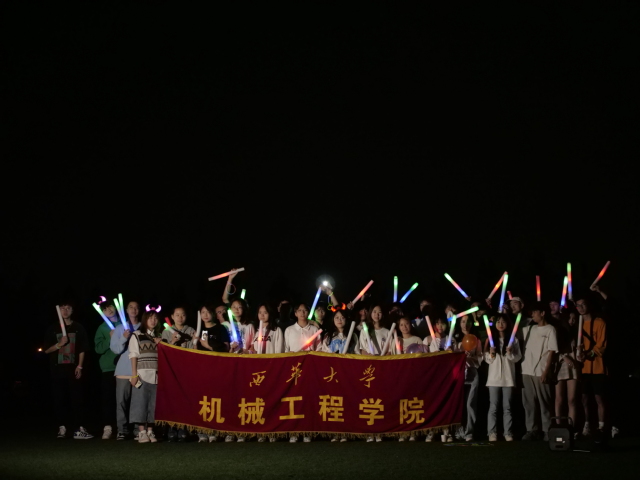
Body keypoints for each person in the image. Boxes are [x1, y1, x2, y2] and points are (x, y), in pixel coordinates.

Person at [44, 301, 92, 439]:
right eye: (62, 308)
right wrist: (59, 344)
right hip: (57, 369)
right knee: (59, 399)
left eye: (68, 308)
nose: (65, 311)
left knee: (77, 399)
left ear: (72, 310)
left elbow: (83, 348)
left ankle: (79, 428)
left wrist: (80, 366)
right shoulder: (53, 328)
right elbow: (46, 350)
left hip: (74, 368)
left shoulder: (78, 327)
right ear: (58, 311)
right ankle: (62, 427)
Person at [521, 302, 558, 441]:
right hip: (526, 369)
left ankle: (547, 430)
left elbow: (552, 351)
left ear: (542, 313)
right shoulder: (529, 328)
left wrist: (546, 371)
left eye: (535, 312)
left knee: (544, 402)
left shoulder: (550, 329)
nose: (533, 315)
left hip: (541, 370)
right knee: (529, 403)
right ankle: (532, 429)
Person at [284, 303, 319, 443]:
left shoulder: (315, 330)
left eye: (305, 310)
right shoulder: (289, 330)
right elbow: (286, 350)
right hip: (294, 370)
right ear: (295, 313)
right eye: (300, 310)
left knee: (308, 399)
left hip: (310, 369)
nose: (302, 312)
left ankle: (307, 430)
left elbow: (319, 349)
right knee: (294, 398)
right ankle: (294, 431)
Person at [195, 304, 231, 443]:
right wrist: (195, 343)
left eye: (208, 312)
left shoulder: (220, 328)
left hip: (218, 367)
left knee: (217, 398)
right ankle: (203, 430)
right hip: (202, 368)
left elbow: (225, 348)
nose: (205, 315)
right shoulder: (199, 329)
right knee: (203, 399)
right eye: (203, 312)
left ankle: (217, 430)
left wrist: (208, 346)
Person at [484, 314, 522, 442]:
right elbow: (487, 360)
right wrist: (491, 354)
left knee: (507, 408)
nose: (500, 324)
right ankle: (492, 433)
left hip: (508, 378)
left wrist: (510, 353)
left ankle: (508, 433)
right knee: (493, 407)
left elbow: (518, 358)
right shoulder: (490, 340)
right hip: (493, 379)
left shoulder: (513, 340)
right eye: (498, 321)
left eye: (503, 322)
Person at [575, 294, 608, 437]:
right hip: (583, 368)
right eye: (578, 305)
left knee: (599, 398)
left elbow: (602, 345)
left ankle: (602, 426)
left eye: (583, 304)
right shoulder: (577, 324)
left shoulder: (600, 322)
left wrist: (589, 354)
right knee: (584, 397)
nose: (581, 307)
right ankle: (587, 424)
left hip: (598, 366)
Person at [163, 306, 196, 443]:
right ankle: (172, 428)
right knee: (172, 399)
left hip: (186, 369)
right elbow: (164, 350)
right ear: (172, 316)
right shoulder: (166, 331)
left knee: (184, 399)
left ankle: (183, 428)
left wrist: (194, 340)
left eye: (183, 315)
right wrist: (173, 342)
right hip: (171, 369)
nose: (180, 317)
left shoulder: (191, 330)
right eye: (177, 315)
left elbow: (194, 350)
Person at [129, 309, 162, 443]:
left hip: (156, 375)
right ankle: (141, 431)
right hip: (142, 373)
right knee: (140, 403)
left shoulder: (159, 337)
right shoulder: (137, 335)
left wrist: (162, 343)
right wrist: (134, 375)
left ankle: (150, 431)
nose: (153, 321)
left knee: (154, 404)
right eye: (150, 318)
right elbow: (133, 355)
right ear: (145, 320)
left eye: (155, 318)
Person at [110, 300, 141, 440]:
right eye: (131, 307)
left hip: (140, 370)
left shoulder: (143, 326)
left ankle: (138, 429)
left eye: (136, 307)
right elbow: (115, 349)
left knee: (138, 402)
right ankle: (122, 430)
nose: (134, 309)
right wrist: (123, 338)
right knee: (121, 402)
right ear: (126, 310)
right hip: (123, 370)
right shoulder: (119, 328)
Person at [453, 314, 483, 441]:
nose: (465, 324)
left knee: (470, 403)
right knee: (458, 403)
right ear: (459, 324)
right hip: (458, 374)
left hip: (472, 373)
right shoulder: (455, 341)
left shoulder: (476, 340)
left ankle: (469, 431)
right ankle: (458, 430)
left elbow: (480, 359)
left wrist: (472, 357)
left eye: (468, 321)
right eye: (463, 321)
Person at [95, 301, 119, 440]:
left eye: (110, 307)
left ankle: (123, 427)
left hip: (124, 367)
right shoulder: (102, 328)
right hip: (108, 368)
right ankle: (108, 427)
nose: (109, 310)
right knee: (108, 399)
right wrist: (110, 338)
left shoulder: (124, 324)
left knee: (123, 399)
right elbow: (98, 349)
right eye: (105, 309)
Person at [554, 307, 581, 430]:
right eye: (569, 318)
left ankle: (572, 428)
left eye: (574, 319)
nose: (571, 321)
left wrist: (580, 354)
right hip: (560, 365)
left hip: (573, 366)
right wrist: (564, 357)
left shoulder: (577, 333)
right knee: (559, 398)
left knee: (572, 399)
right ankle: (559, 427)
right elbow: (553, 350)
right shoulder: (559, 331)